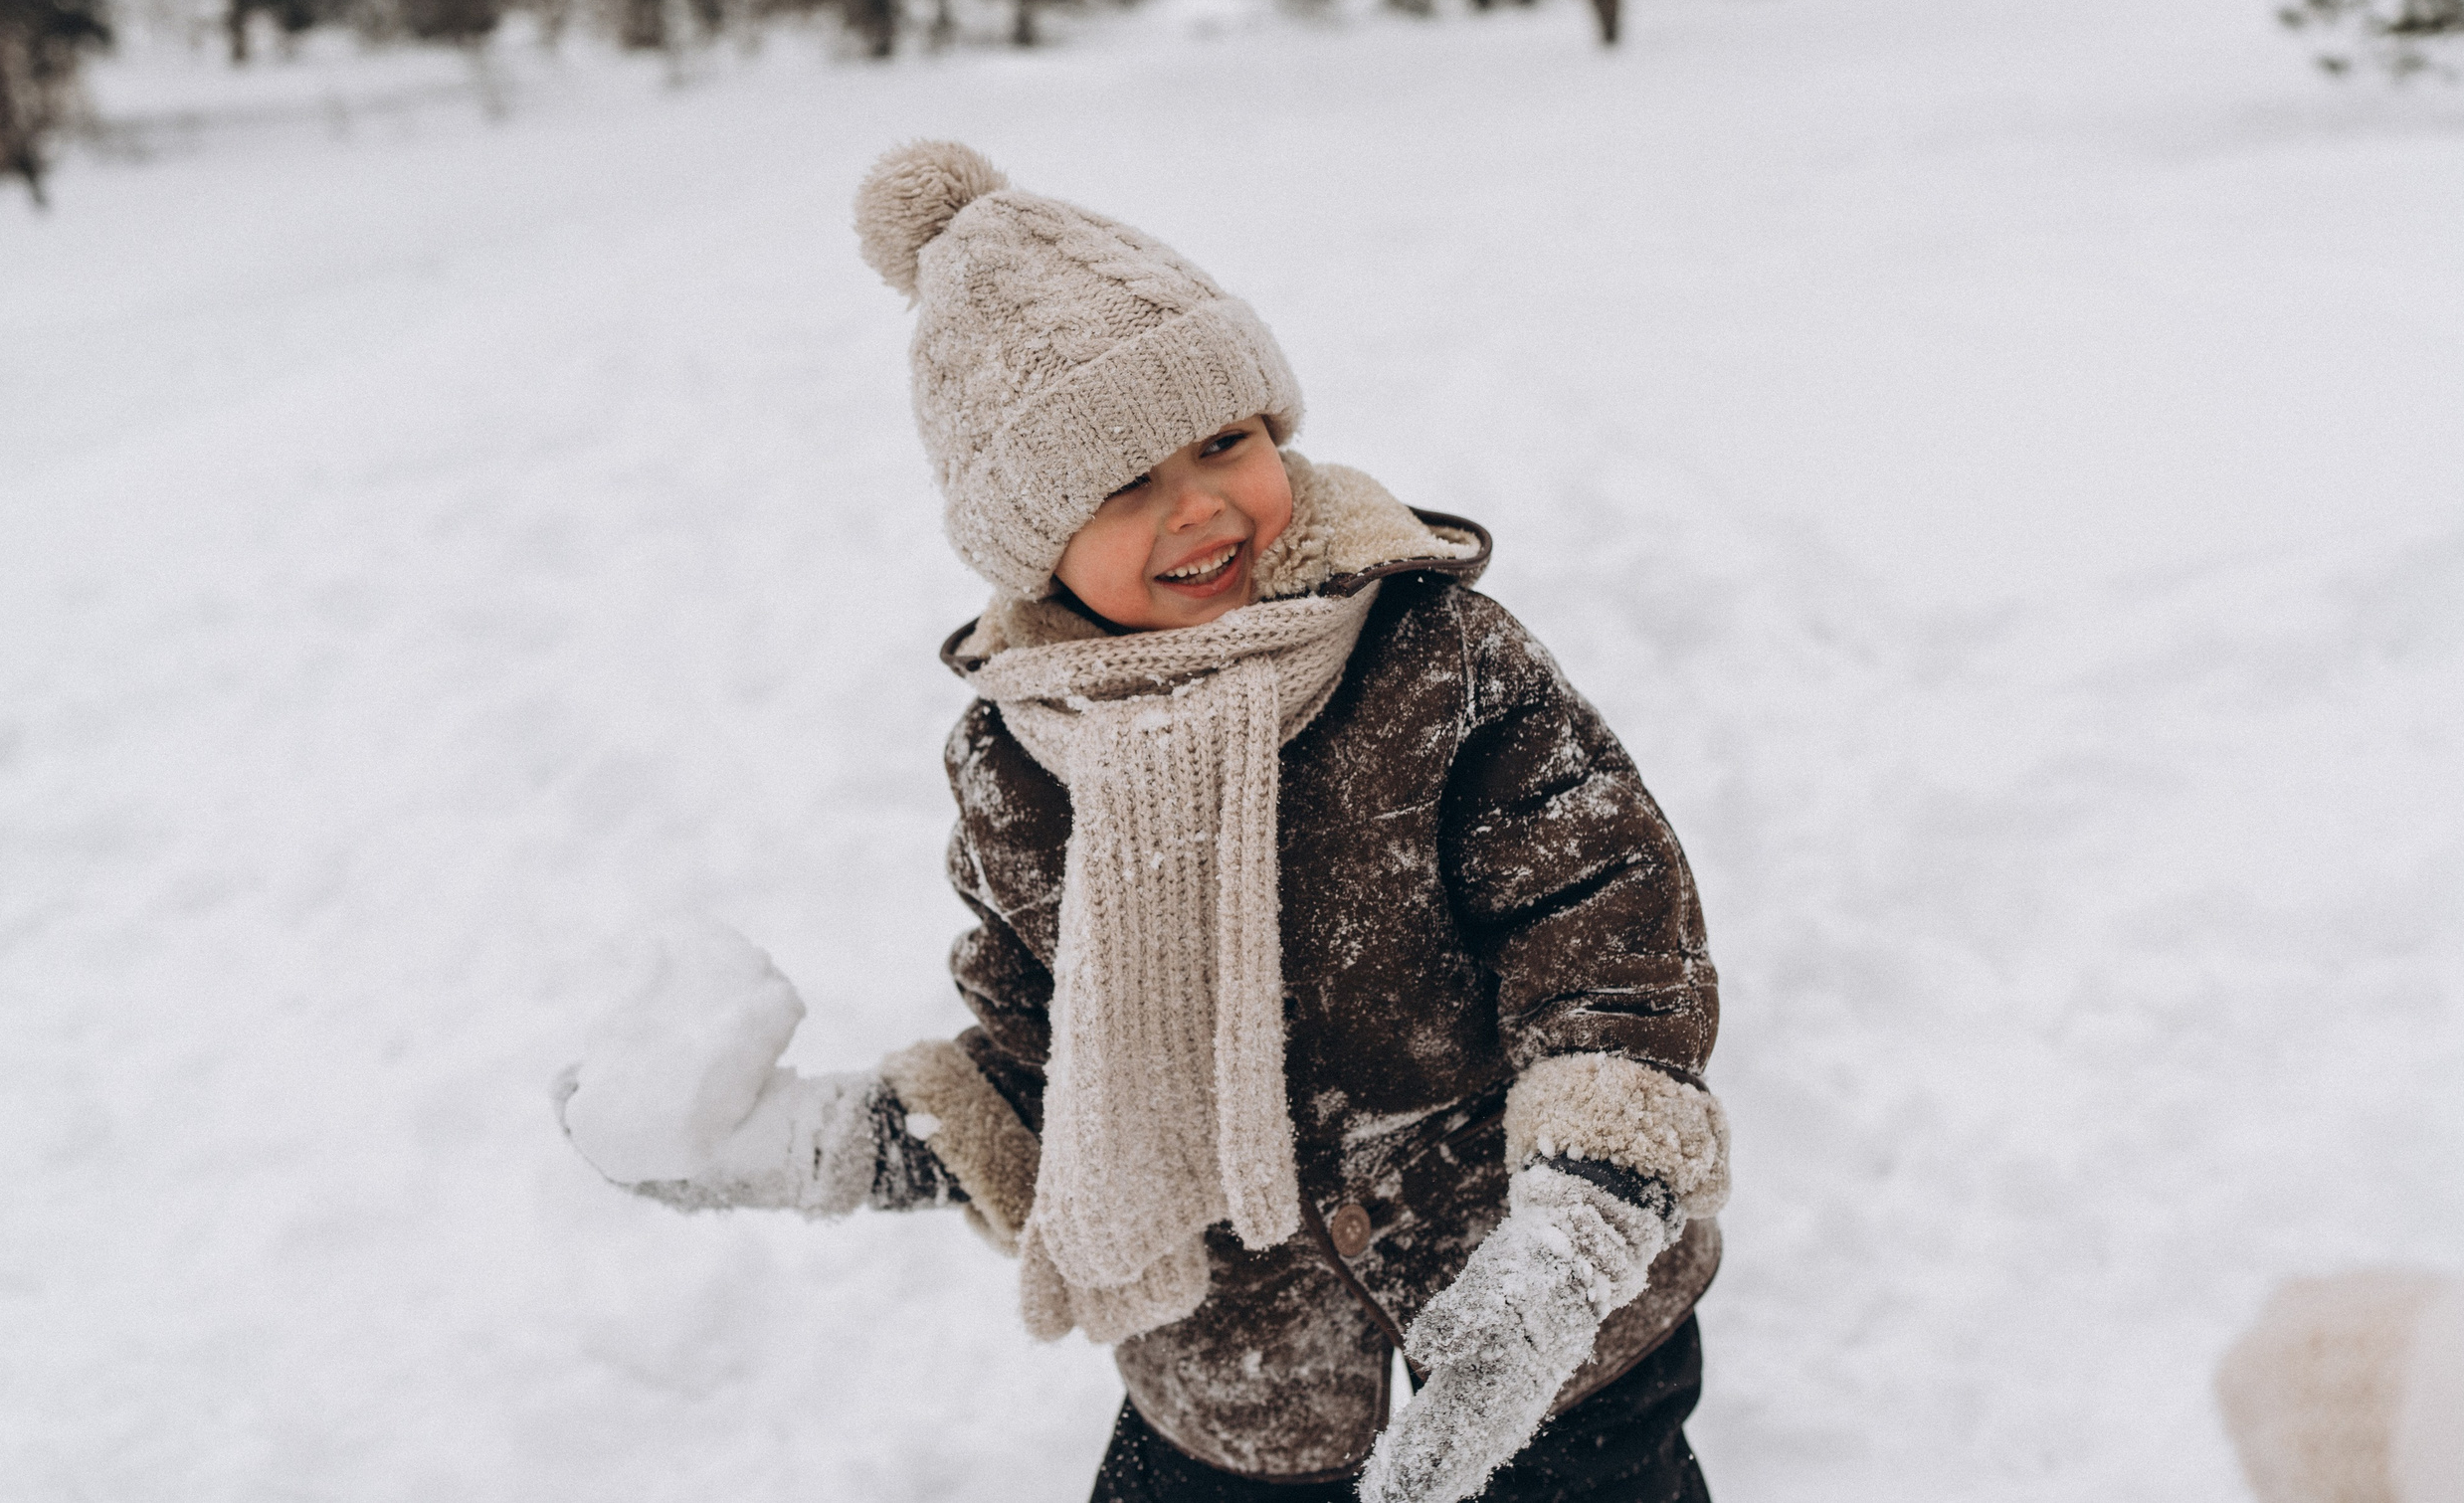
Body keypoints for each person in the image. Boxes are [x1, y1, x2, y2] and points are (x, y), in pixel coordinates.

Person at [556, 141, 1731, 1503]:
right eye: (1118, 485)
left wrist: (1568, 1246)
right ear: (1029, 543)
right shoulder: (1022, 763)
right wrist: (777, 1144)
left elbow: (1616, 948)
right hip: (1239, 1377)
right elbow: (1035, 1075)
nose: (1199, 505)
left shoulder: (1435, 660)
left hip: (1551, 1336)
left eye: (1223, 439)